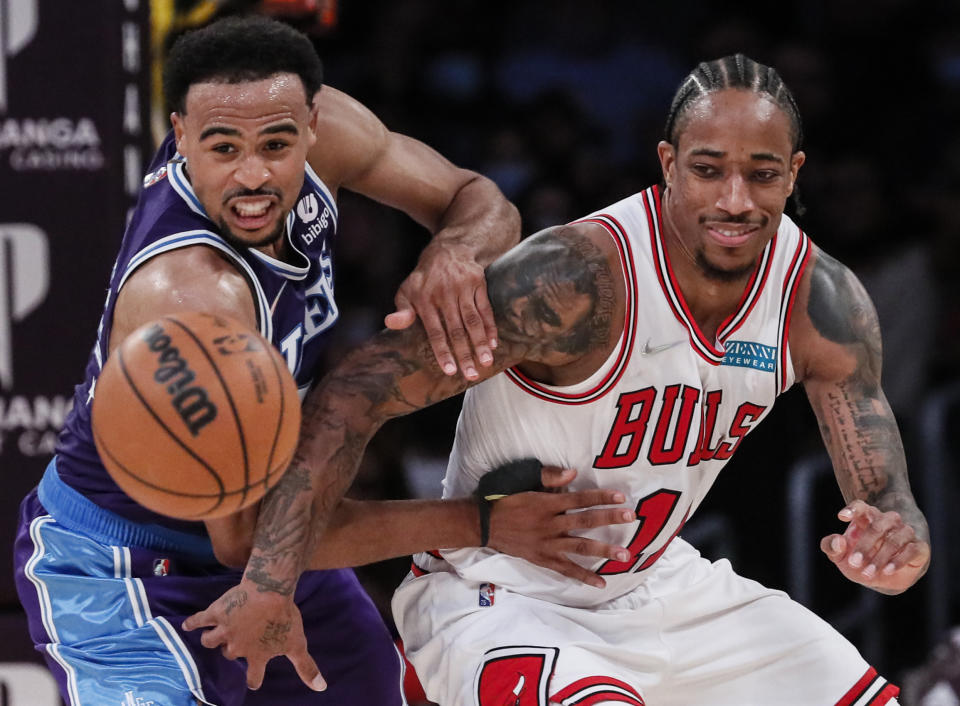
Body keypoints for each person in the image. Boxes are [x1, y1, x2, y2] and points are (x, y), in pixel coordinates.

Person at [192, 54, 930, 705]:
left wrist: (897, 532)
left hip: (657, 584)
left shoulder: (820, 301)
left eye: (762, 174)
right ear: (669, 164)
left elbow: (880, 487)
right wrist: (270, 580)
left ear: (793, 173)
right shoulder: (576, 281)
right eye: (708, 170)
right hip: (499, 594)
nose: (735, 199)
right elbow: (355, 393)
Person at [10, 15, 633, 706]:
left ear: (311, 125)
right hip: (127, 568)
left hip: (277, 523)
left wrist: (455, 253)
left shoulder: (330, 130)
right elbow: (247, 543)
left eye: (276, 145)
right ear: (181, 136)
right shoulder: (188, 295)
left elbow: (475, 197)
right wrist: (481, 524)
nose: (252, 175)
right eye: (222, 148)